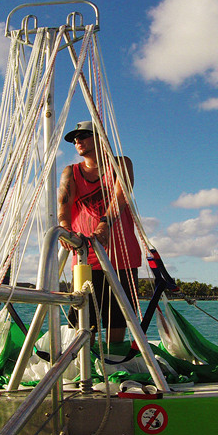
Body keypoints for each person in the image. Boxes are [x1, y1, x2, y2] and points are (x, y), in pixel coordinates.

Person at [58, 121, 142, 350]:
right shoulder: (72, 173)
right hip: (86, 258)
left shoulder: (121, 164)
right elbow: (63, 209)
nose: (77, 141)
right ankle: (86, 363)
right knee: (85, 319)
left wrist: (105, 224)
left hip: (122, 256)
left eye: (83, 135)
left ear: (100, 138)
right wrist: (64, 229)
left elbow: (120, 197)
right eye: (75, 138)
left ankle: (113, 361)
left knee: (118, 315)